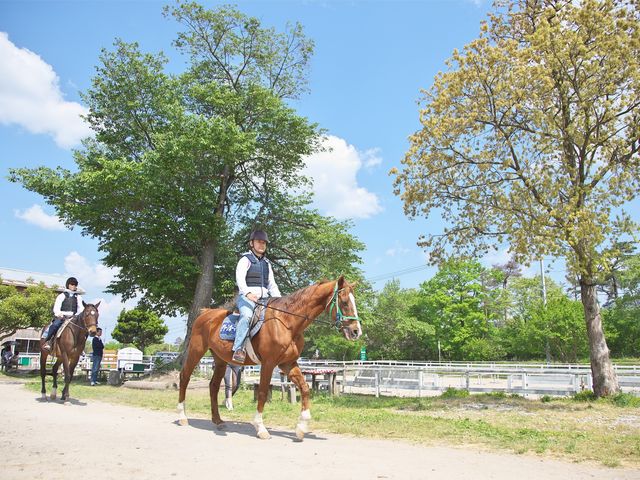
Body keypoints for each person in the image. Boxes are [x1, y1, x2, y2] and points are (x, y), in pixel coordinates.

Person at [232, 230, 281, 363]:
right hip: (247, 297)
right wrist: (248, 293)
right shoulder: (245, 260)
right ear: (251, 243)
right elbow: (239, 279)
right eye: (259, 242)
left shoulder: (267, 264)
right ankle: (238, 348)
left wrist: (279, 300)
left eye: (264, 243)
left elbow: (272, 285)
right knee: (247, 316)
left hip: (264, 299)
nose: (262, 245)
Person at [43, 277, 83, 351]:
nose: (74, 286)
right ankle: (48, 342)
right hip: (62, 317)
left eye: (75, 285)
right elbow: (56, 308)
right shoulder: (62, 296)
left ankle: (80, 346)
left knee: (83, 328)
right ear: (68, 285)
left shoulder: (78, 297)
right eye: (72, 284)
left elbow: (81, 308)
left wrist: (77, 315)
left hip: (73, 317)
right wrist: (59, 314)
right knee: (55, 325)